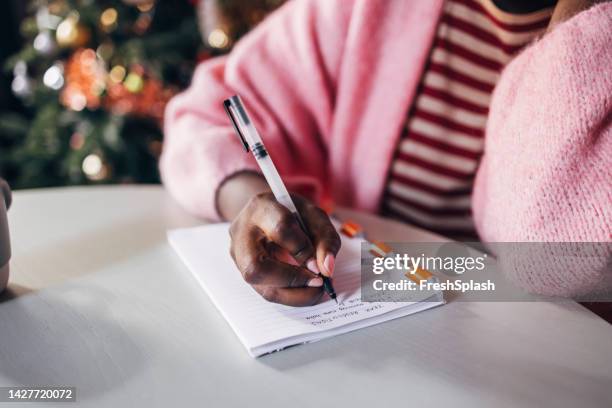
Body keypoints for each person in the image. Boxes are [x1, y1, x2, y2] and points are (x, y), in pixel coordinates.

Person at [160, 0, 611, 306]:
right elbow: (201, 117)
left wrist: (580, 22)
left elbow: (552, 248)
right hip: (383, 329)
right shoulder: (368, 10)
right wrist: (255, 206)